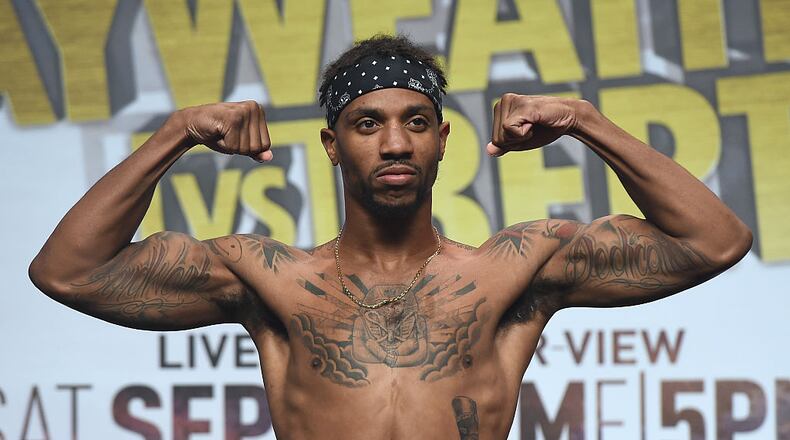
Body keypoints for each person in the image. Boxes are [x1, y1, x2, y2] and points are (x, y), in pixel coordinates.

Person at [29, 35, 752, 439]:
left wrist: (586, 121)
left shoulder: (515, 272)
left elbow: (714, 242)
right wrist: (175, 132)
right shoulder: (268, 279)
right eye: (368, 124)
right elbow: (69, 271)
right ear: (332, 145)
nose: (395, 143)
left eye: (414, 122)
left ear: (442, 142)